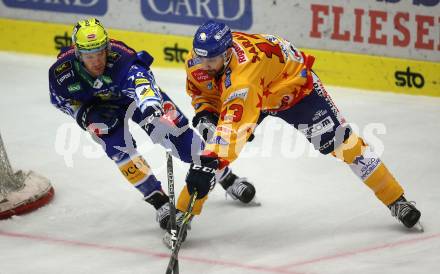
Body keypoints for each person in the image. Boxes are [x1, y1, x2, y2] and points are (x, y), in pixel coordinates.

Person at [182, 20, 422, 231]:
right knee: (211, 139)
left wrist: (208, 163)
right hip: (261, 89)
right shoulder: (201, 61)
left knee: (345, 145)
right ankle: (185, 212)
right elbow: (201, 91)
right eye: (199, 56)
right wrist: (206, 112)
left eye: (210, 60)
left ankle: (396, 200)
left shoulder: (242, 79)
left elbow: (231, 135)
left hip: (295, 91)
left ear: (226, 54)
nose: (203, 64)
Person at [48, 18, 257, 232]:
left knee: (181, 138)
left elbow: (142, 80)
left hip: (137, 99)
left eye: (101, 52)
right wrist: (85, 114)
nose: (97, 61)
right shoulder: (61, 74)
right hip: (98, 108)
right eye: (90, 56)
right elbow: (61, 101)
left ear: (107, 47)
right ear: (78, 54)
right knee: (116, 146)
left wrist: (150, 106)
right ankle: (159, 201)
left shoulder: (120, 57)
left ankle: (227, 178)